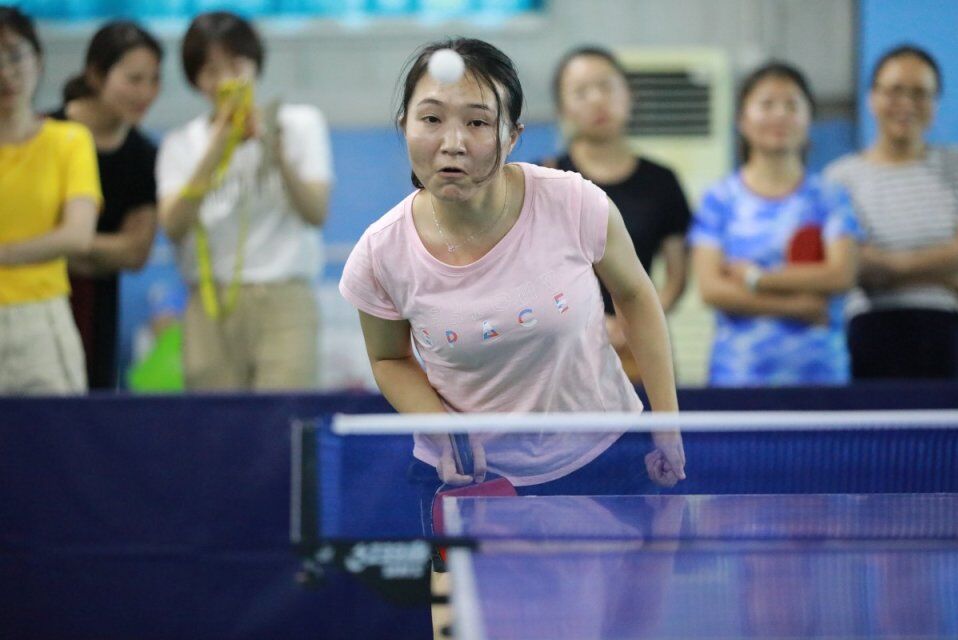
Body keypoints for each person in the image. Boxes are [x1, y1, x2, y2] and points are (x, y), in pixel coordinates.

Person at [339, 38, 685, 502]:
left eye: (478, 122)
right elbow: (389, 359)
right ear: (405, 126)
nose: (452, 143)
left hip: (605, 457)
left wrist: (666, 422)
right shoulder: (381, 252)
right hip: (473, 477)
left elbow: (636, 296)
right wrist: (445, 432)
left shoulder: (574, 202)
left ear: (512, 136)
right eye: (432, 119)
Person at [156, 11, 333, 391]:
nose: (225, 81)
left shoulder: (299, 124)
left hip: (284, 298)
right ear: (195, 79)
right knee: (216, 420)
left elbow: (316, 212)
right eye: (210, 70)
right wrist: (217, 148)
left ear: (255, 64)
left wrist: (276, 149)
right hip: (209, 303)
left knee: (286, 416)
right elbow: (172, 226)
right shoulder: (180, 143)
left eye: (235, 65)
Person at [689, 62, 860, 386]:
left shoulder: (830, 196)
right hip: (737, 376)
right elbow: (711, 289)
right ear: (742, 120)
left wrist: (755, 278)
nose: (780, 114)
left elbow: (841, 274)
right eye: (767, 104)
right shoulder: (719, 199)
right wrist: (799, 306)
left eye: (792, 105)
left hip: (821, 376)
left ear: (809, 119)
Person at [544, 46, 692, 381]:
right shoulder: (545, 180)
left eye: (606, 86)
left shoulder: (662, 181)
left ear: (629, 94)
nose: (597, 100)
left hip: (640, 348)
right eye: (581, 92)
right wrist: (592, 324)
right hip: (564, 352)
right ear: (562, 108)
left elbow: (677, 277)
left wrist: (634, 321)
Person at [825, 46, 958, 379]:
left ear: (935, 103)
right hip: (870, 332)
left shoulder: (956, 165)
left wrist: (888, 267)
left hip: (948, 331)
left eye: (920, 93)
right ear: (872, 97)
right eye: (895, 91)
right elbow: (852, 265)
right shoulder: (840, 178)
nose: (907, 104)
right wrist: (944, 274)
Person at [49, 21, 162, 391]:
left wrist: (62, 242)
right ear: (96, 75)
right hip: (36, 299)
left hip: (99, 308)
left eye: (154, 80)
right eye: (134, 79)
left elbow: (135, 251)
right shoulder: (45, 134)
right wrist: (95, 248)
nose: (146, 92)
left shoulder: (143, 155)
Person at [0, 6, 101, 394]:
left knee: (58, 429)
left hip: (41, 318)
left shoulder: (69, 141)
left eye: (14, 55)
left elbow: (77, 236)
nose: (5, 72)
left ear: (38, 61)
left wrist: (5, 254)